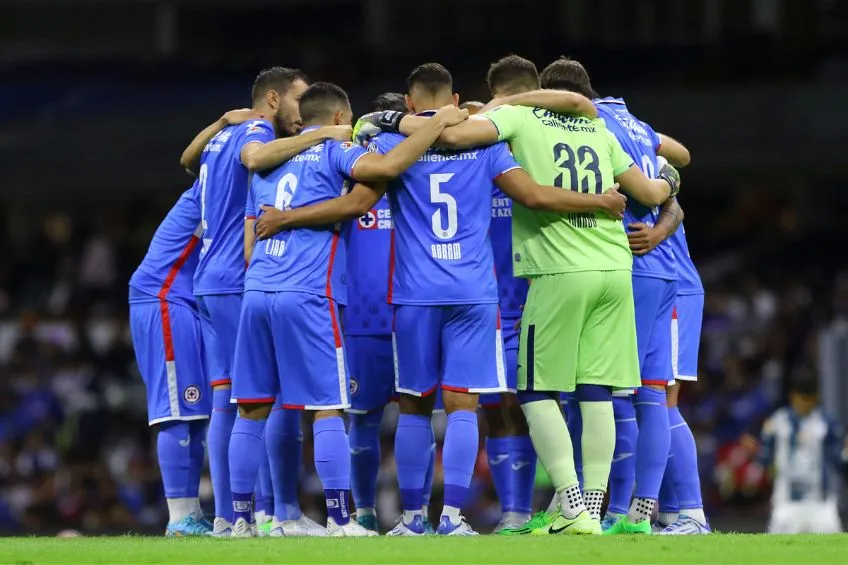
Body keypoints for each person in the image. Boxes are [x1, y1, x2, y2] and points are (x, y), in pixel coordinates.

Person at [261, 62, 628, 536]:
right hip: (474, 293)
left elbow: (356, 202)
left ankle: (413, 518)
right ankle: (453, 518)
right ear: (455, 102)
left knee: (413, 405)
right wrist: (599, 202)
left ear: (410, 105)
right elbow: (534, 195)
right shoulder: (487, 145)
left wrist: (287, 217)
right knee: (463, 406)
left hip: (415, 294)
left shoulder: (391, 143)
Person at [358, 54, 680, 535]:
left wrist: (400, 120)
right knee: (595, 393)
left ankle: (567, 504)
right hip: (610, 267)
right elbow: (654, 191)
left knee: (519, 393)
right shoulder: (596, 128)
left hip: (546, 272)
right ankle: (588, 509)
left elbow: (447, 139)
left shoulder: (503, 121)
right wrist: (669, 179)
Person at [228, 81, 467, 537]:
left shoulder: (269, 161)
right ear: (341, 119)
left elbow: (247, 245)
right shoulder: (337, 154)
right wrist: (437, 122)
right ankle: (342, 519)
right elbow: (391, 165)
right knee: (327, 408)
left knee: (252, 408)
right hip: (310, 292)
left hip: (258, 289)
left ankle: (240, 520)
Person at [180, 67, 349, 537]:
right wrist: (329, 132)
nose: (303, 113)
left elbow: (186, 158)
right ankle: (279, 513)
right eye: (298, 101)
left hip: (209, 278)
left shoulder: (225, 135)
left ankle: (230, 517)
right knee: (263, 400)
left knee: (229, 398)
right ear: (273, 100)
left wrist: (218, 122)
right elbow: (255, 158)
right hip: (241, 276)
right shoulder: (256, 131)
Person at [535, 56, 693, 535]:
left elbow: (651, 183)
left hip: (631, 265)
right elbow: (680, 157)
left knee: (612, 393)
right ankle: (641, 514)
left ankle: (615, 511)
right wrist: (670, 187)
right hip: (666, 272)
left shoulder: (594, 124)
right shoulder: (636, 123)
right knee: (651, 393)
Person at [344, 91, 436, 533]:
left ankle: (414, 514)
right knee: (365, 417)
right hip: (367, 316)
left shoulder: (425, 169)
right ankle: (364, 512)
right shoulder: (352, 169)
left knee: (415, 412)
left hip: (408, 309)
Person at [128, 181, 210, 536]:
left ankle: (191, 513)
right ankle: (178, 518)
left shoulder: (224, 186)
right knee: (177, 408)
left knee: (196, 414)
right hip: (163, 296)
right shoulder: (210, 189)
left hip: (183, 300)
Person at [748, 373, 847, 533]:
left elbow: (839, 462)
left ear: (815, 398)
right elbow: (763, 460)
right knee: (779, 554)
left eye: (810, 399)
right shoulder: (776, 422)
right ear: (793, 396)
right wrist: (755, 457)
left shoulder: (827, 424)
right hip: (786, 503)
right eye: (803, 398)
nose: (806, 404)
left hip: (820, 505)